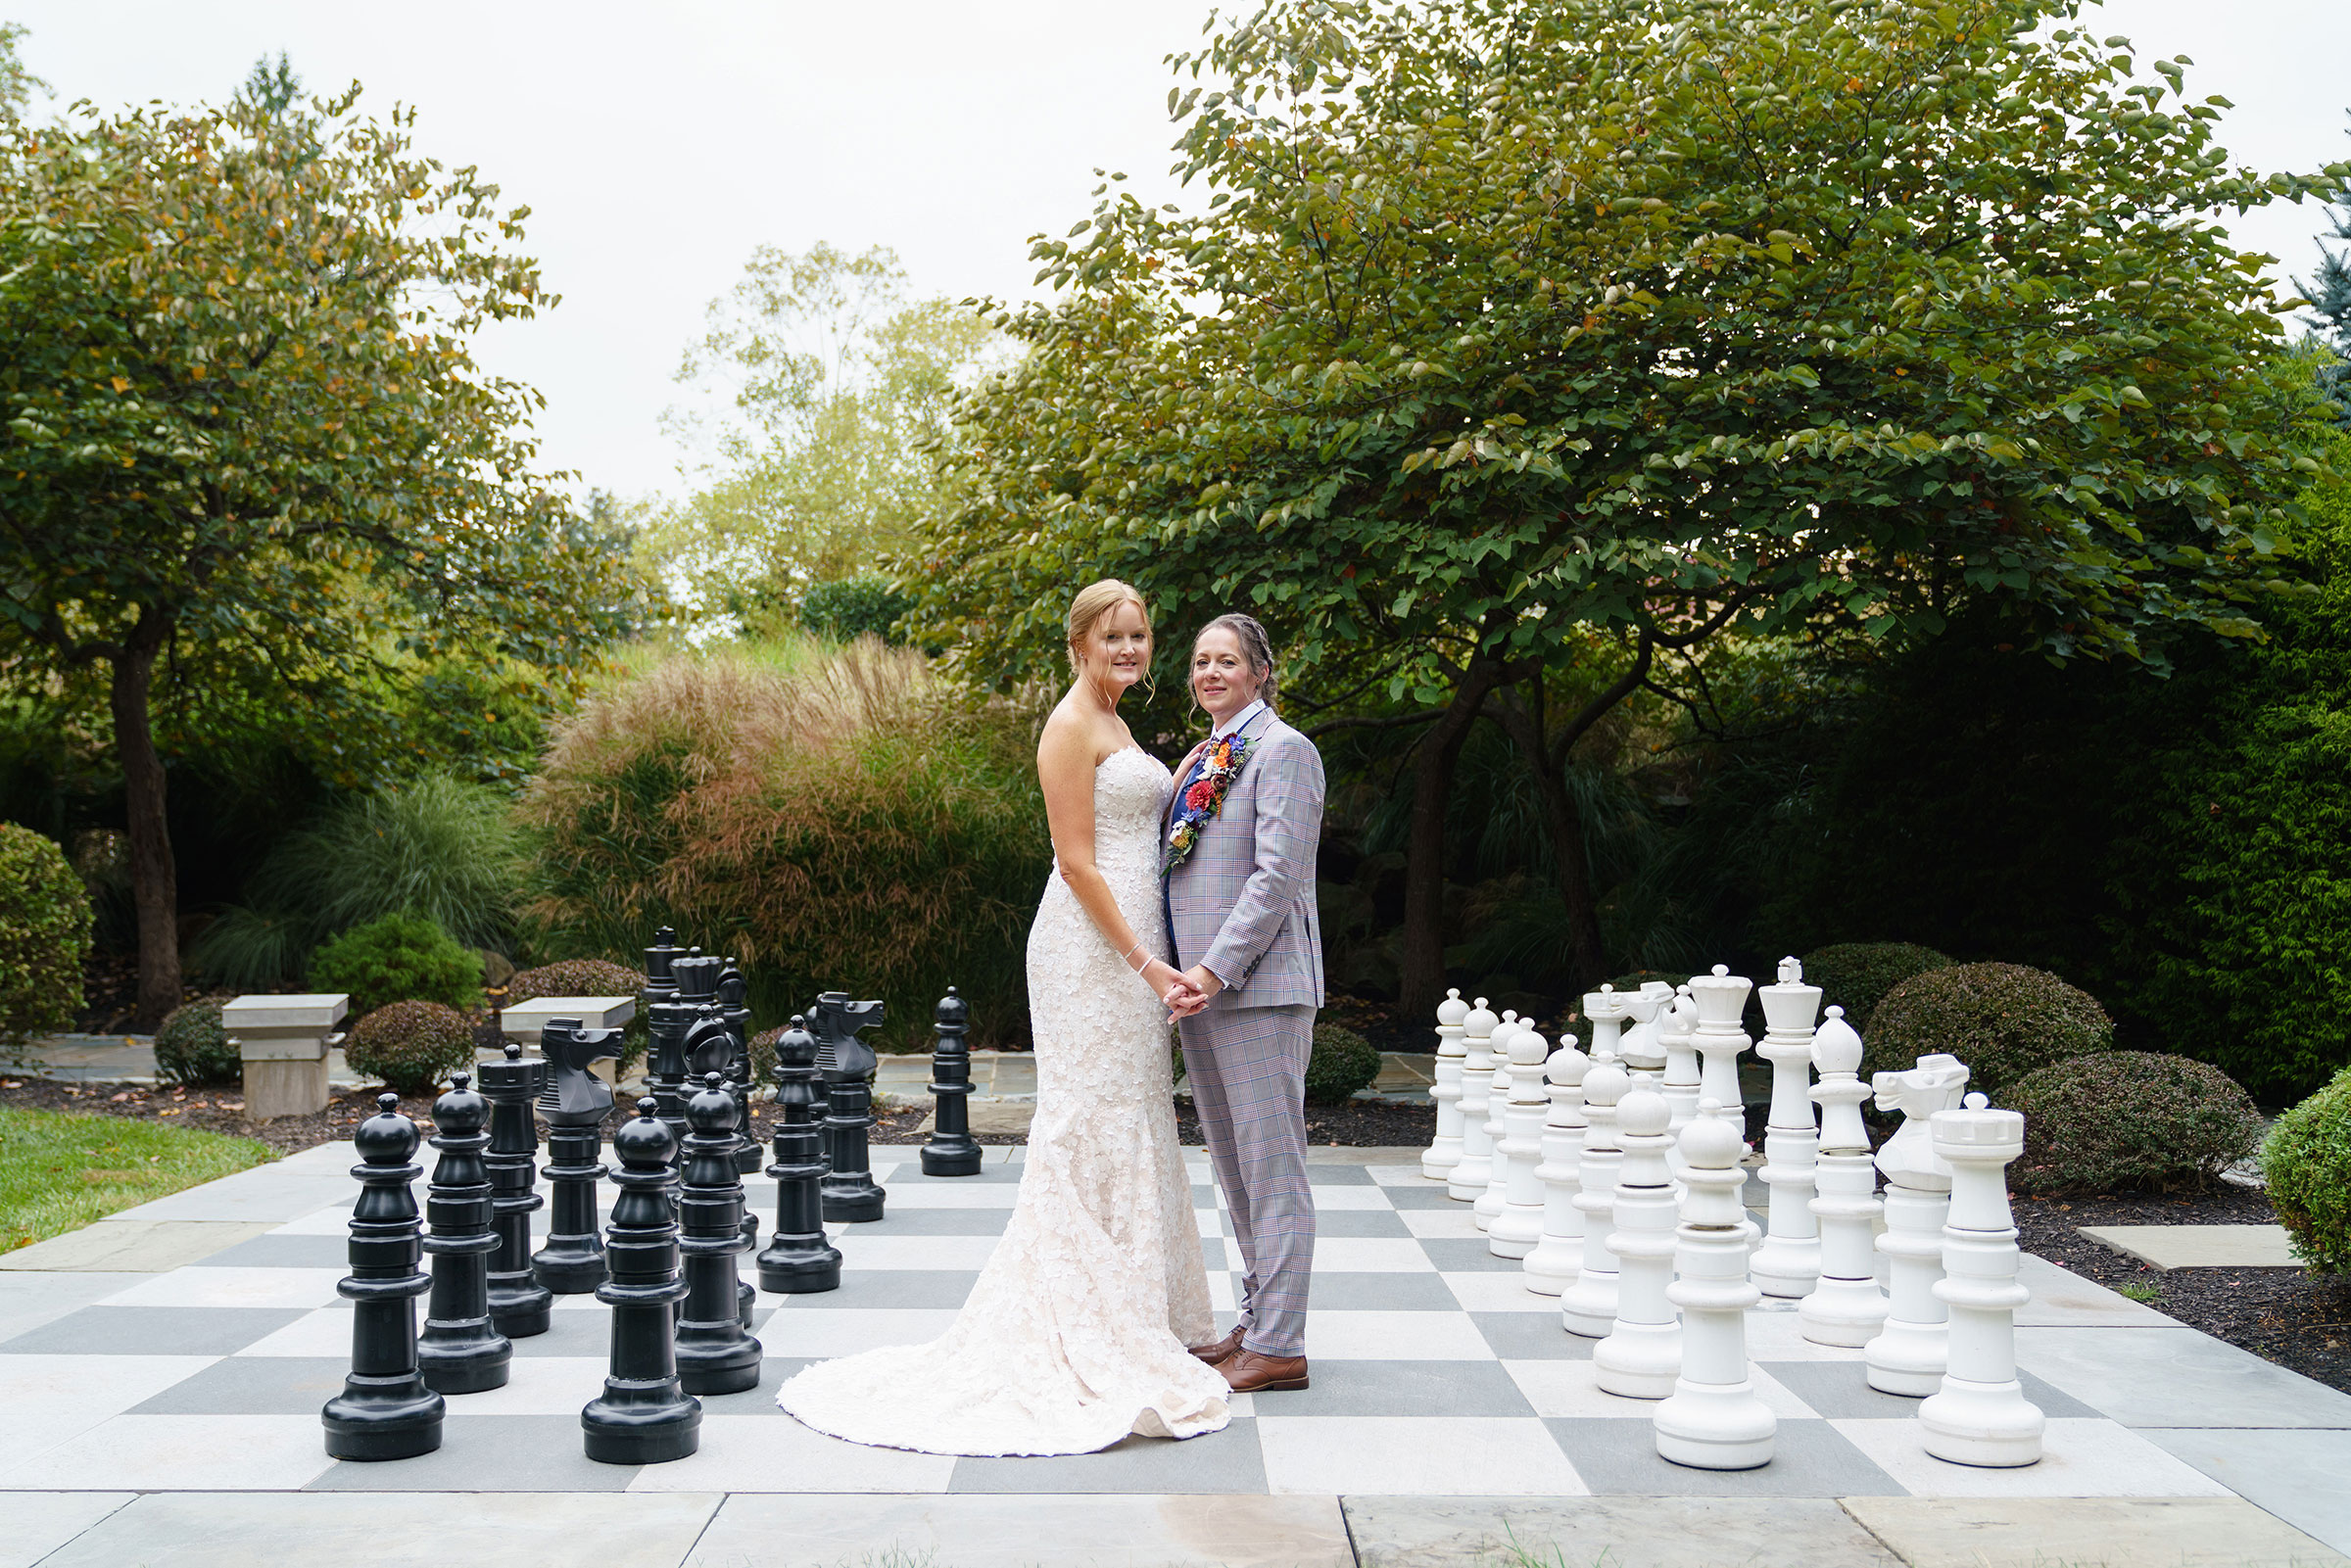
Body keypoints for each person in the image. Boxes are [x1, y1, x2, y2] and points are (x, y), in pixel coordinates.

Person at [775, 579, 1231, 1456]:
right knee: (1090, 1118)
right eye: (1113, 637)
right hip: (1091, 951)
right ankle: (1083, 1320)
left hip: (1135, 944)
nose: (1131, 650)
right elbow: (1077, 861)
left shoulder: (1119, 720)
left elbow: (1136, 818)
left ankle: (1135, 1311)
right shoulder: (1069, 725)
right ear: (1078, 644)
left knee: (1133, 1112)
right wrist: (1144, 961)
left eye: (1139, 635)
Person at [1161, 612, 1327, 1395]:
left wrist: (1212, 970)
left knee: (1272, 1169)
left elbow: (1276, 877)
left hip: (1257, 989)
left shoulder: (1285, 750)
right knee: (1233, 1167)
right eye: (1200, 661)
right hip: (1202, 992)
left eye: (1227, 660)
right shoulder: (1202, 755)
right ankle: (1258, 1321)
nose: (1210, 672)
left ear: (1261, 671)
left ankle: (1283, 1344)